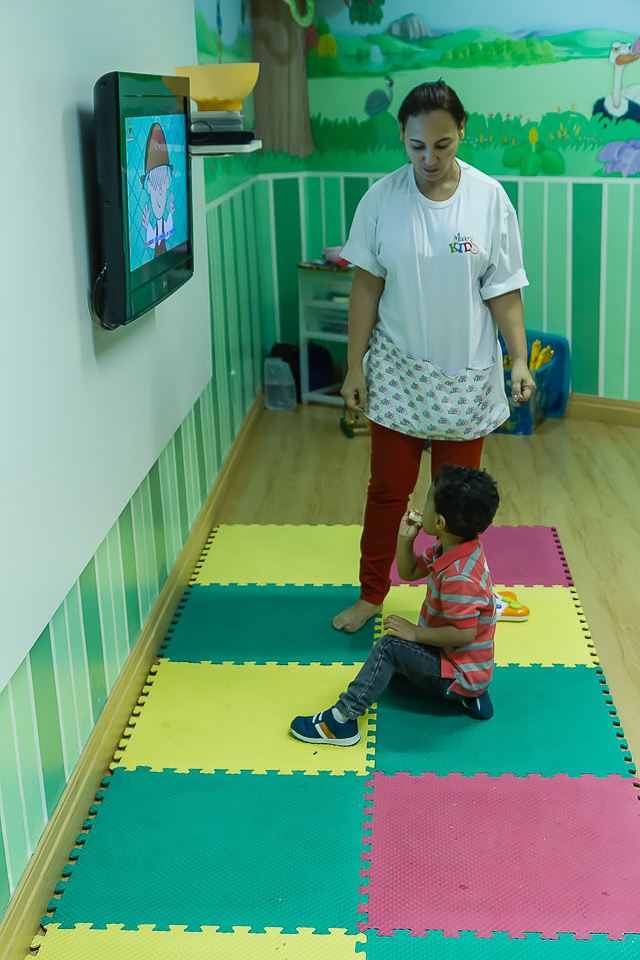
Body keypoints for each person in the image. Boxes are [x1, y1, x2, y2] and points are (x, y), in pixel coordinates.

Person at [332, 79, 535, 635]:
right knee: (387, 493)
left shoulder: (489, 198)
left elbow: (504, 289)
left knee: (458, 506)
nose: (429, 158)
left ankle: (456, 601)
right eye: (417, 145)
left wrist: (517, 359)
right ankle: (373, 594)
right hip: (398, 370)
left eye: (442, 145)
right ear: (402, 135)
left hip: (466, 376)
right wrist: (354, 366)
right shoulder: (380, 200)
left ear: (461, 133)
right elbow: (365, 290)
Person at [291, 463, 500, 746]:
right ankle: (470, 694)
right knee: (392, 671)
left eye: (426, 503)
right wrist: (405, 542)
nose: (420, 507)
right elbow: (409, 572)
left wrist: (415, 633)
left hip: (457, 668)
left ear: (439, 522)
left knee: (388, 647)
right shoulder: (454, 545)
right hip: (461, 662)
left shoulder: (460, 575)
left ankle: (341, 721)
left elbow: (464, 634)